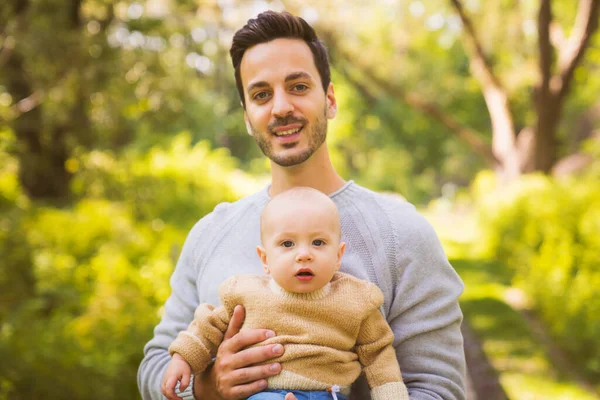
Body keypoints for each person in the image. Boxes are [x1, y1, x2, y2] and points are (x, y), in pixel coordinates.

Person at [138, 10, 466, 400]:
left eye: (297, 86)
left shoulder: (403, 236)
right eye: (261, 95)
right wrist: (209, 387)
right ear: (247, 116)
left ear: (329, 99)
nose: (280, 108)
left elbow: (438, 388)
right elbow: (155, 368)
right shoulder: (209, 234)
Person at [161, 187, 409, 400]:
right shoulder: (246, 292)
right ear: (265, 259)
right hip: (265, 393)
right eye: (287, 244)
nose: (304, 254)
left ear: (338, 256)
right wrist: (183, 359)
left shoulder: (356, 300)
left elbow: (378, 352)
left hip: (330, 394)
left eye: (318, 242)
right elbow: (207, 326)